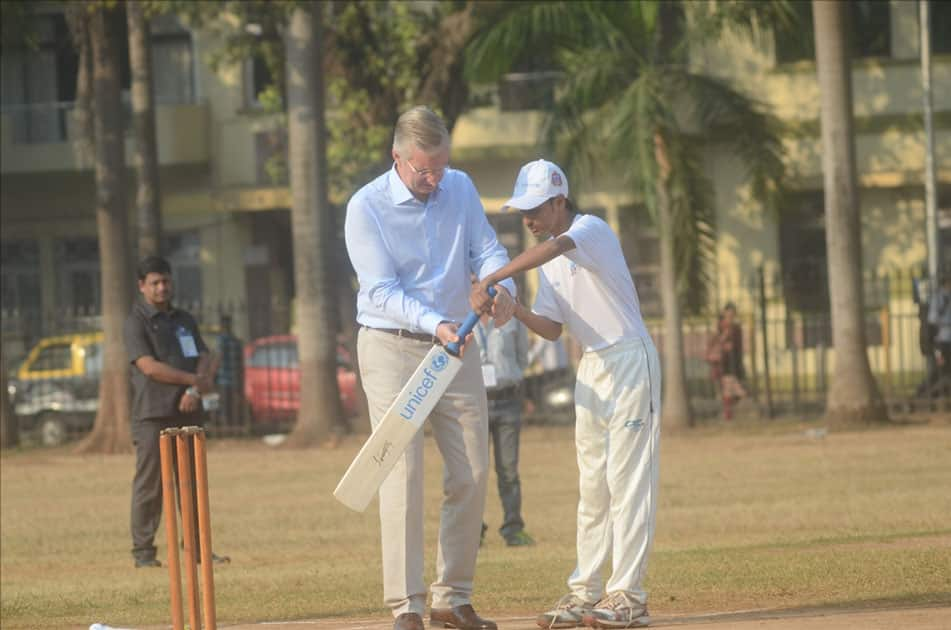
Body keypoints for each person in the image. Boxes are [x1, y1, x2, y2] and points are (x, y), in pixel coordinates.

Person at [344, 105, 517, 630]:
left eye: (440, 165)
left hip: (455, 347)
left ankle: (452, 597)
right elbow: (380, 290)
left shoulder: (459, 187)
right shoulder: (365, 207)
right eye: (424, 169)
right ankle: (407, 605)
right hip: (393, 346)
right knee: (403, 472)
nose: (434, 177)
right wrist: (436, 322)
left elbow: (485, 248)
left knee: (472, 470)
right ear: (397, 158)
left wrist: (500, 284)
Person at [470, 159, 661, 629]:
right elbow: (553, 330)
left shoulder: (589, 230)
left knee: (627, 480)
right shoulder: (548, 265)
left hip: (630, 358)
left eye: (535, 208)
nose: (528, 219)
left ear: (560, 201)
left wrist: (492, 279)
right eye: (522, 211)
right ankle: (586, 591)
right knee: (593, 484)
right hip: (591, 365)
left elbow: (553, 248)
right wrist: (513, 309)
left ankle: (629, 596)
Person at [124, 256, 228, 569]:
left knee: (192, 483)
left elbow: (204, 354)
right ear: (142, 286)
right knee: (151, 485)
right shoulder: (136, 322)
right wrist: (192, 381)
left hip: (188, 411)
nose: (161, 288)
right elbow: (148, 367)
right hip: (153, 414)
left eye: (165, 281)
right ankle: (144, 553)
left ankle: (198, 550)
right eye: (154, 282)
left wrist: (195, 390)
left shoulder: (184, 319)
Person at [474, 295, 535, 547]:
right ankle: (473, 531)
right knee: (473, 472)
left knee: (508, 470)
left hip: (508, 402)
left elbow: (523, 359)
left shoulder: (511, 318)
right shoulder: (458, 316)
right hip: (474, 404)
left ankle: (513, 528)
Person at [706, 303, 747, 421]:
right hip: (722, 363)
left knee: (731, 390)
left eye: (732, 315)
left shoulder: (736, 328)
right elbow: (713, 343)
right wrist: (723, 341)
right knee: (731, 389)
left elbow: (738, 346)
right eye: (728, 314)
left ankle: (728, 414)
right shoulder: (720, 327)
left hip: (732, 361)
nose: (730, 317)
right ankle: (728, 414)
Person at [214, 314, 244, 429]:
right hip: (235, 378)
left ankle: (226, 427)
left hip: (223, 379)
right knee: (233, 405)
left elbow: (218, 358)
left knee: (225, 405)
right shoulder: (236, 341)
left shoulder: (221, 340)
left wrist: (211, 375)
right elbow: (240, 361)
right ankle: (234, 425)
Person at [928, 271, 951, 397]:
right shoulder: (938, 297)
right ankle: (930, 394)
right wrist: (946, 322)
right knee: (940, 370)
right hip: (942, 339)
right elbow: (932, 318)